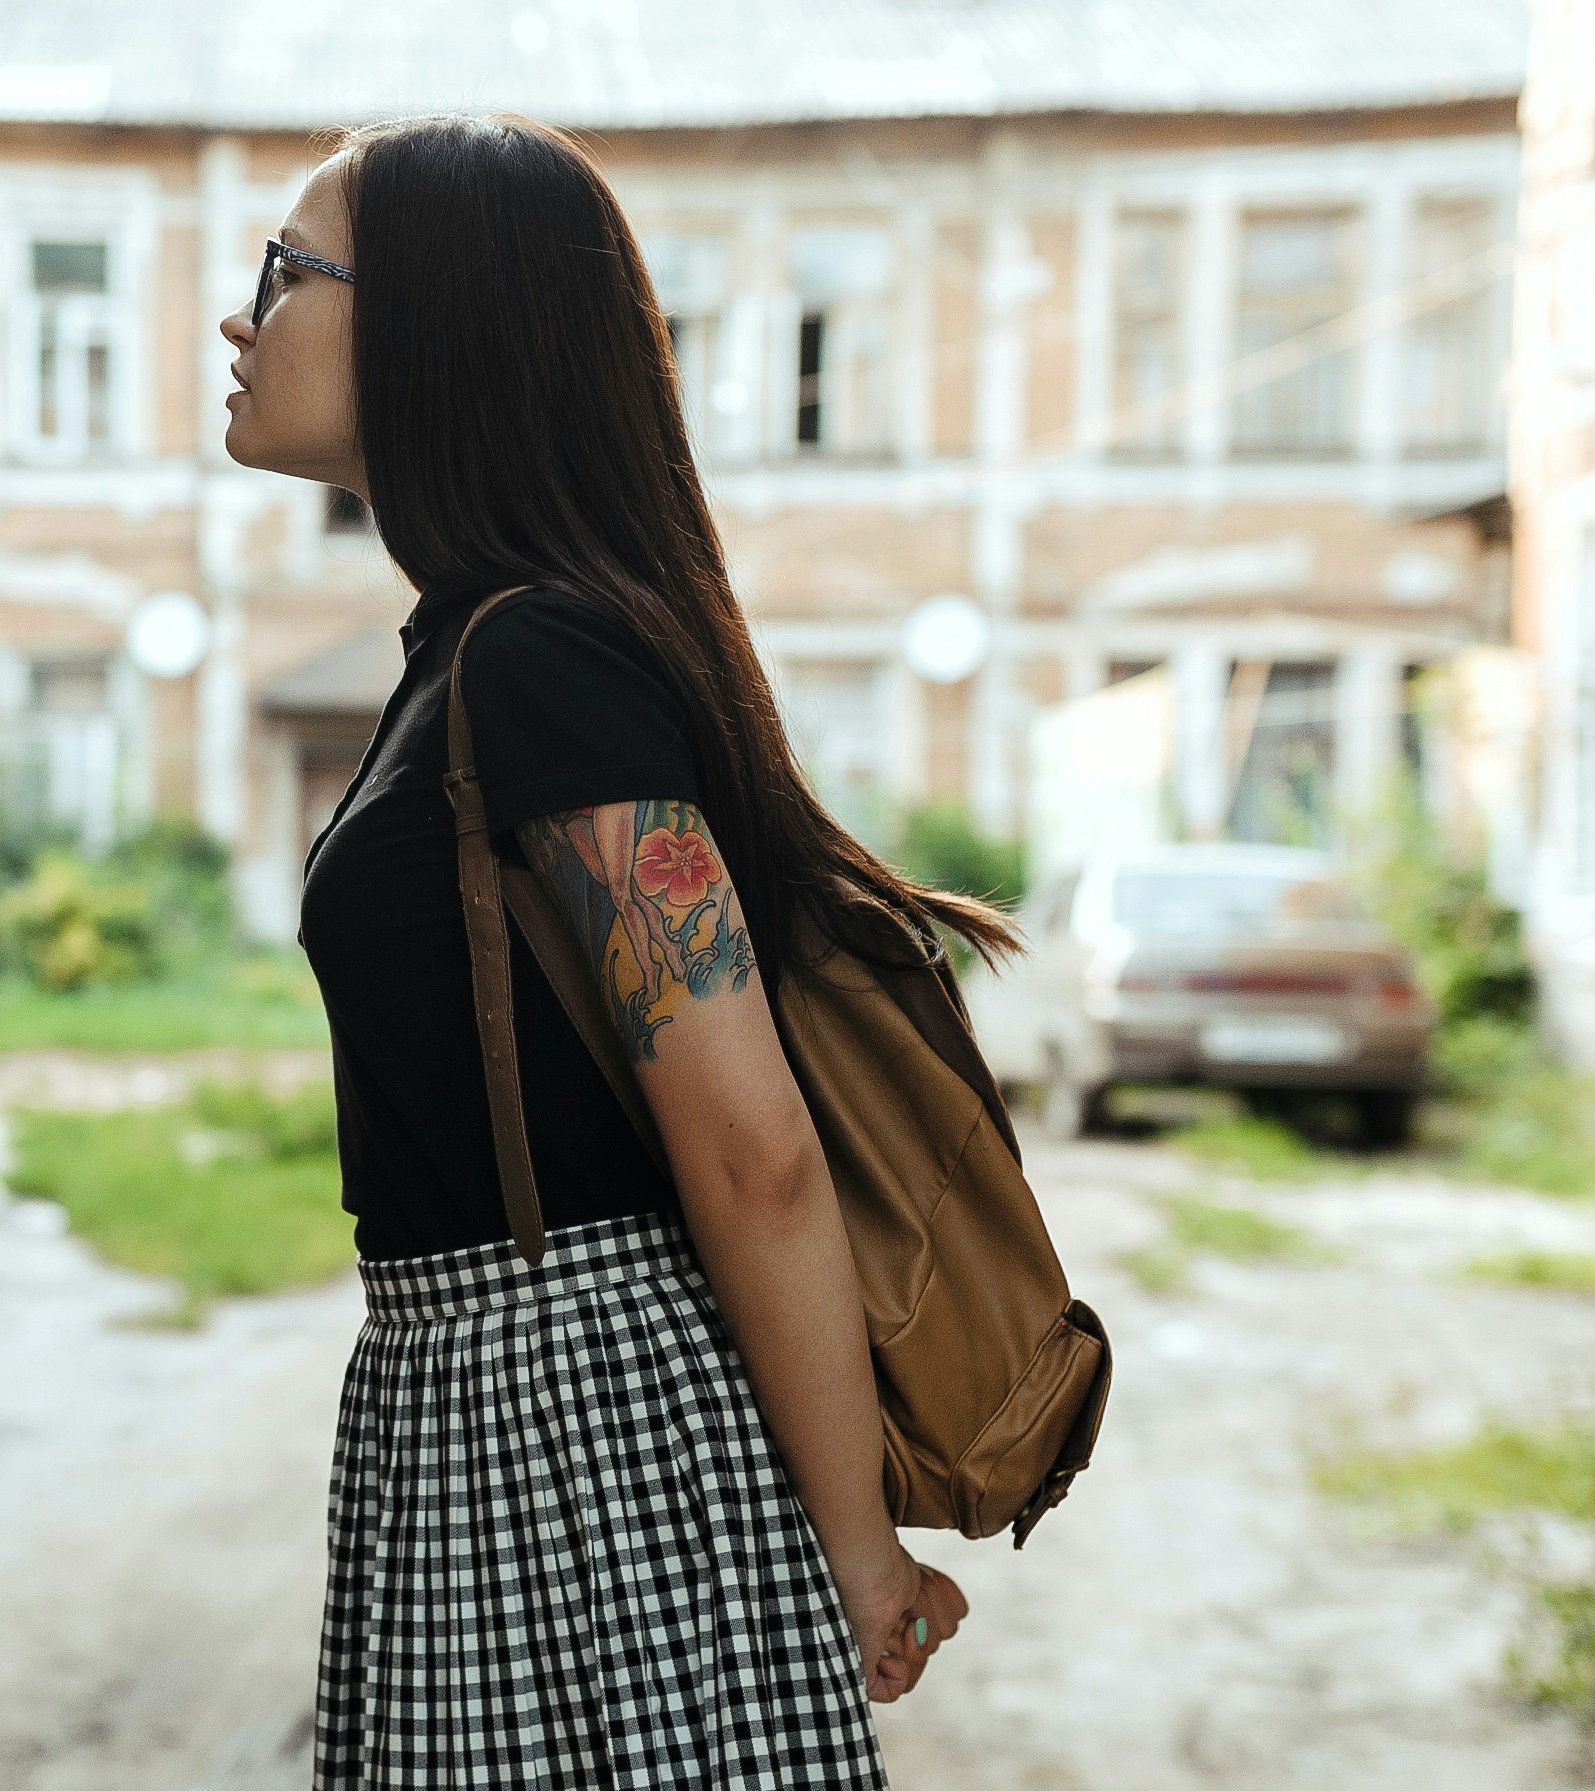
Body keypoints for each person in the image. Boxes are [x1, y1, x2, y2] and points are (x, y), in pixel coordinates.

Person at [220, 114, 1012, 1787]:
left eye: (287, 272)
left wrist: (851, 1541)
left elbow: (751, 1150)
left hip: (578, 1414)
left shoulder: (537, 662)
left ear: (439, 322)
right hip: (478, 1399)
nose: (243, 317)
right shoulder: (471, 651)